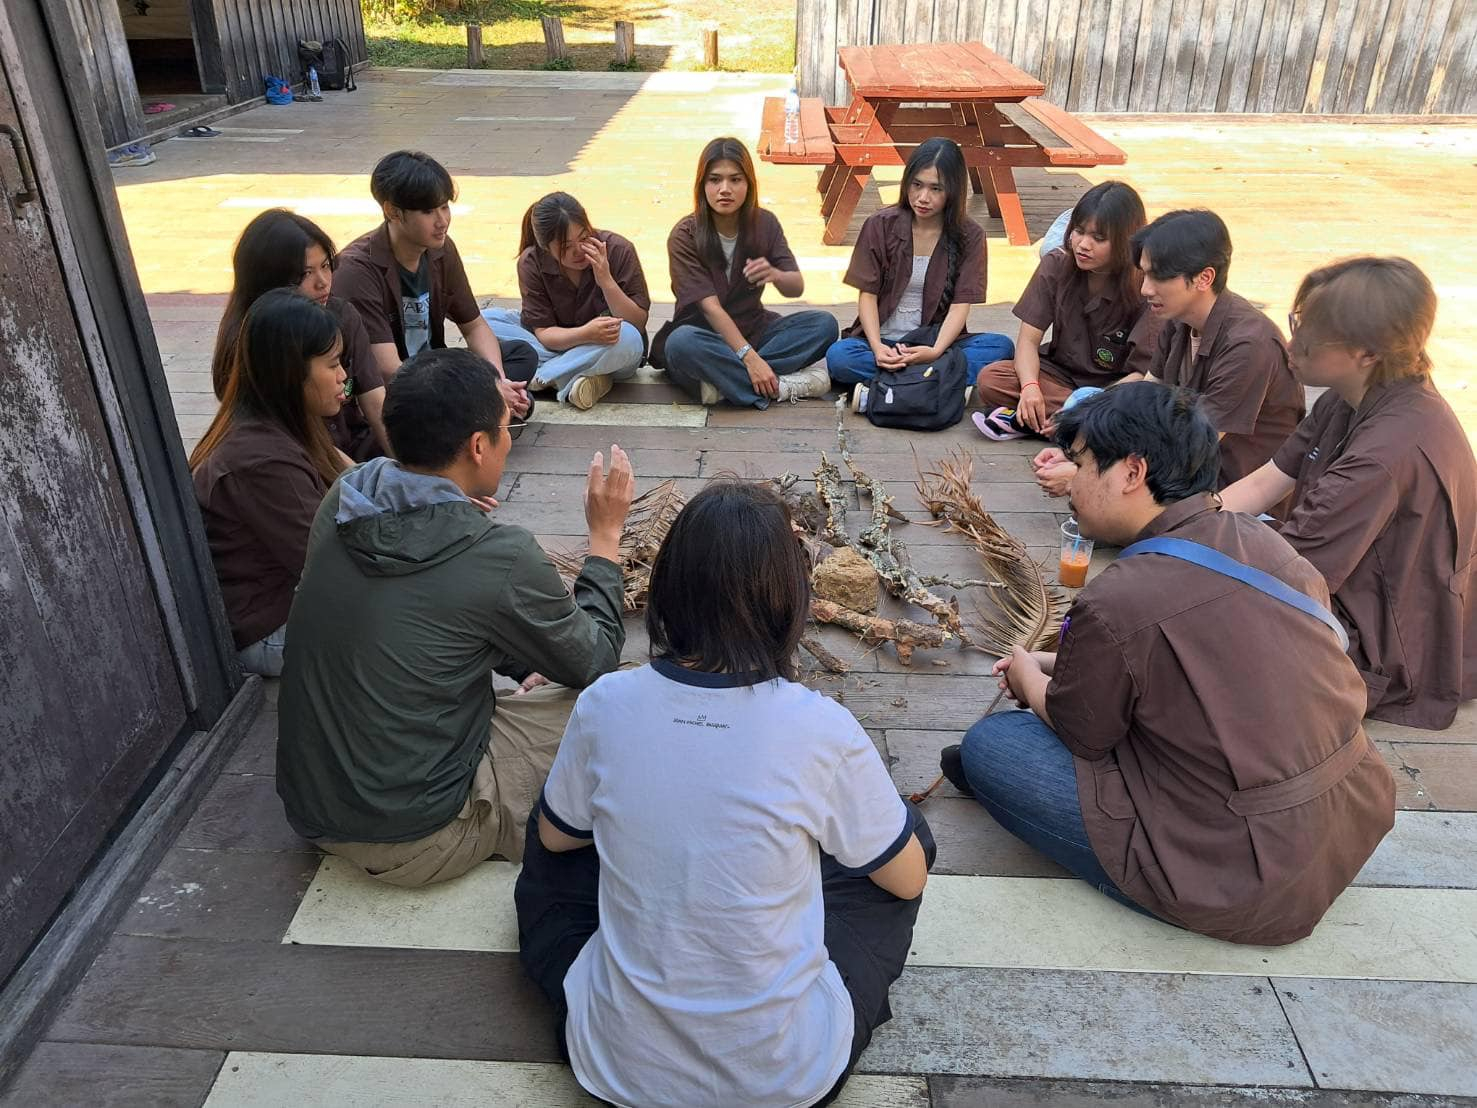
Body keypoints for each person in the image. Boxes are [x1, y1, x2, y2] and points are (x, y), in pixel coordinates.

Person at [515, 480, 932, 1107]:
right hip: (787, 1076)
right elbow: (907, 882)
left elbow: (556, 839)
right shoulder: (822, 728)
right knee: (905, 843)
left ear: (669, 590)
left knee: (554, 828)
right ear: (789, 601)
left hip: (618, 1066)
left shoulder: (605, 704)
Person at [943, 383, 1394, 945]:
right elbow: (1207, 668)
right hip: (1345, 826)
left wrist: (1027, 677)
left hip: (1239, 874)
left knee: (993, 745)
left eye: (1081, 464)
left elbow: (1082, 732)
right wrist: (1067, 661)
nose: (1071, 483)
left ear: (1132, 472)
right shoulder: (1265, 542)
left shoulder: (1119, 597)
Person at [276, 347, 633, 885]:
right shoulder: (500, 555)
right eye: (506, 428)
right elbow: (596, 659)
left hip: (312, 808)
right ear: (478, 445)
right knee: (632, 698)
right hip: (420, 835)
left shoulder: (347, 495)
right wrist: (604, 540)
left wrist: (526, 660)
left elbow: (432, 615)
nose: (508, 440)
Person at [1221, 257, 1477, 730]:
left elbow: (1288, 576)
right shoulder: (1351, 396)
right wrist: (1174, 530)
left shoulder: (1385, 453)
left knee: (1203, 637)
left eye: (1309, 339)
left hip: (1382, 637)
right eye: (1297, 323)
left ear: (1367, 353)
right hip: (1333, 575)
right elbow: (1265, 482)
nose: (1291, 346)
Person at [1029, 209, 1304, 504]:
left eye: (1157, 276)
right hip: (1184, 459)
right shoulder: (1178, 318)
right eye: (1144, 274)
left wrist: (1087, 475)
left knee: (1099, 498)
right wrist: (1082, 452)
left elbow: (1195, 445)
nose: (1145, 289)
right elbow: (1145, 396)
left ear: (1204, 278)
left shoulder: (1248, 344)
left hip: (1230, 489)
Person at [191, 289, 348, 676]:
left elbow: (353, 477)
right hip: (264, 630)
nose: (343, 376)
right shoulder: (263, 461)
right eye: (332, 364)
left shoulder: (281, 422)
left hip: (285, 600)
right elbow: (334, 563)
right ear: (291, 373)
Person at [332, 150, 537, 421]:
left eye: (444, 207)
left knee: (520, 354)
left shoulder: (441, 249)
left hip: (435, 366)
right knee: (510, 399)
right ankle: (483, 412)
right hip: (400, 385)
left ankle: (485, 410)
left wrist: (498, 382)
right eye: (428, 211)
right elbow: (389, 369)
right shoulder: (357, 270)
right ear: (393, 212)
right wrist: (486, 391)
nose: (442, 221)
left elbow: (474, 326)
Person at [824, 137, 1013, 412]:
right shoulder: (880, 224)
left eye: (936, 189)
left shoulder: (970, 235)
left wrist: (935, 351)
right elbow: (867, 295)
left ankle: (883, 392)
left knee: (1001, 348)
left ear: (954, 191)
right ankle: (937, 386)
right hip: (883, 343)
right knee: (840, 357)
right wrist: (877, 347)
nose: (923, 198)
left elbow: (960, 306)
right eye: (917, 185)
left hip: (934, 344)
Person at [650, 137, 839, 407]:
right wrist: (749, 359)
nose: (724, 189)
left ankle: (724, 385)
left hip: (755, 331)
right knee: (680, 343)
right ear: (702, 185)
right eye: (715, 180)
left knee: (824, 324)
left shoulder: (765, 223)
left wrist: (776, 274)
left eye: (735, 180)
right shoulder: (685, 235)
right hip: (705, 337)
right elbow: (710, 309)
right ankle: (781, 386)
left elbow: (795, 286)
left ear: (749, 184)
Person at [972, 181, 1158, 439]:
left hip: (1112, 387)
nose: (1083, 244)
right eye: (1079, 231)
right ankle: (1070, 425)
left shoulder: (1145, 286)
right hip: (1059, 375)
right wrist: (1030, 388)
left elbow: (1143, 374)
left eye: (1098, 238)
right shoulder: (1057, 263)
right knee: (991, 379)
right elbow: (1028, 341)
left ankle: (1039, 421)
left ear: (1125, 242)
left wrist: (1087, 404)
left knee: (1139, 408)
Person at [210, 208, 389, 461]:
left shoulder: (342, 315)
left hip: (354, 445)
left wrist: (409, 471)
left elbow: (374, 400)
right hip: (295, 456)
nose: (322, 282)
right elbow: (294, 435)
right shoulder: (253, 342)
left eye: (325, 266)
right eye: (305, 274)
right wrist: (359, 479)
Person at [481, 192, 648, 411]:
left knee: (629, 337)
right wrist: (585, 334)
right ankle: (582, 377)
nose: (578, 251)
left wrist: (606, 280)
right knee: (485, 320)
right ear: (545, 247)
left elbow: (637, 323)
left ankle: (543, 376)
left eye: (584, 238)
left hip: (605, 348)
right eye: (566, 247)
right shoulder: (531, 261)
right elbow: (544, 332)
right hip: (556, 345)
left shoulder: (618, 249)